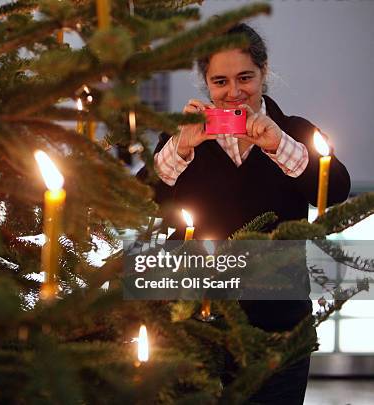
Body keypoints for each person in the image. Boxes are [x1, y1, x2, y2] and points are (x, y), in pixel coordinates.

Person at [142, 24, 351, 404]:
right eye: (220, 81)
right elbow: (141, 197)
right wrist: (180, 148)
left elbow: (336, 188)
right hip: (191, 322)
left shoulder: (294, 130)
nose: (234, 92)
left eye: (245, 78)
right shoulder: (182, 137)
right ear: (205, 83)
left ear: (264, 72)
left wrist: (278, 144)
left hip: (279, 326)